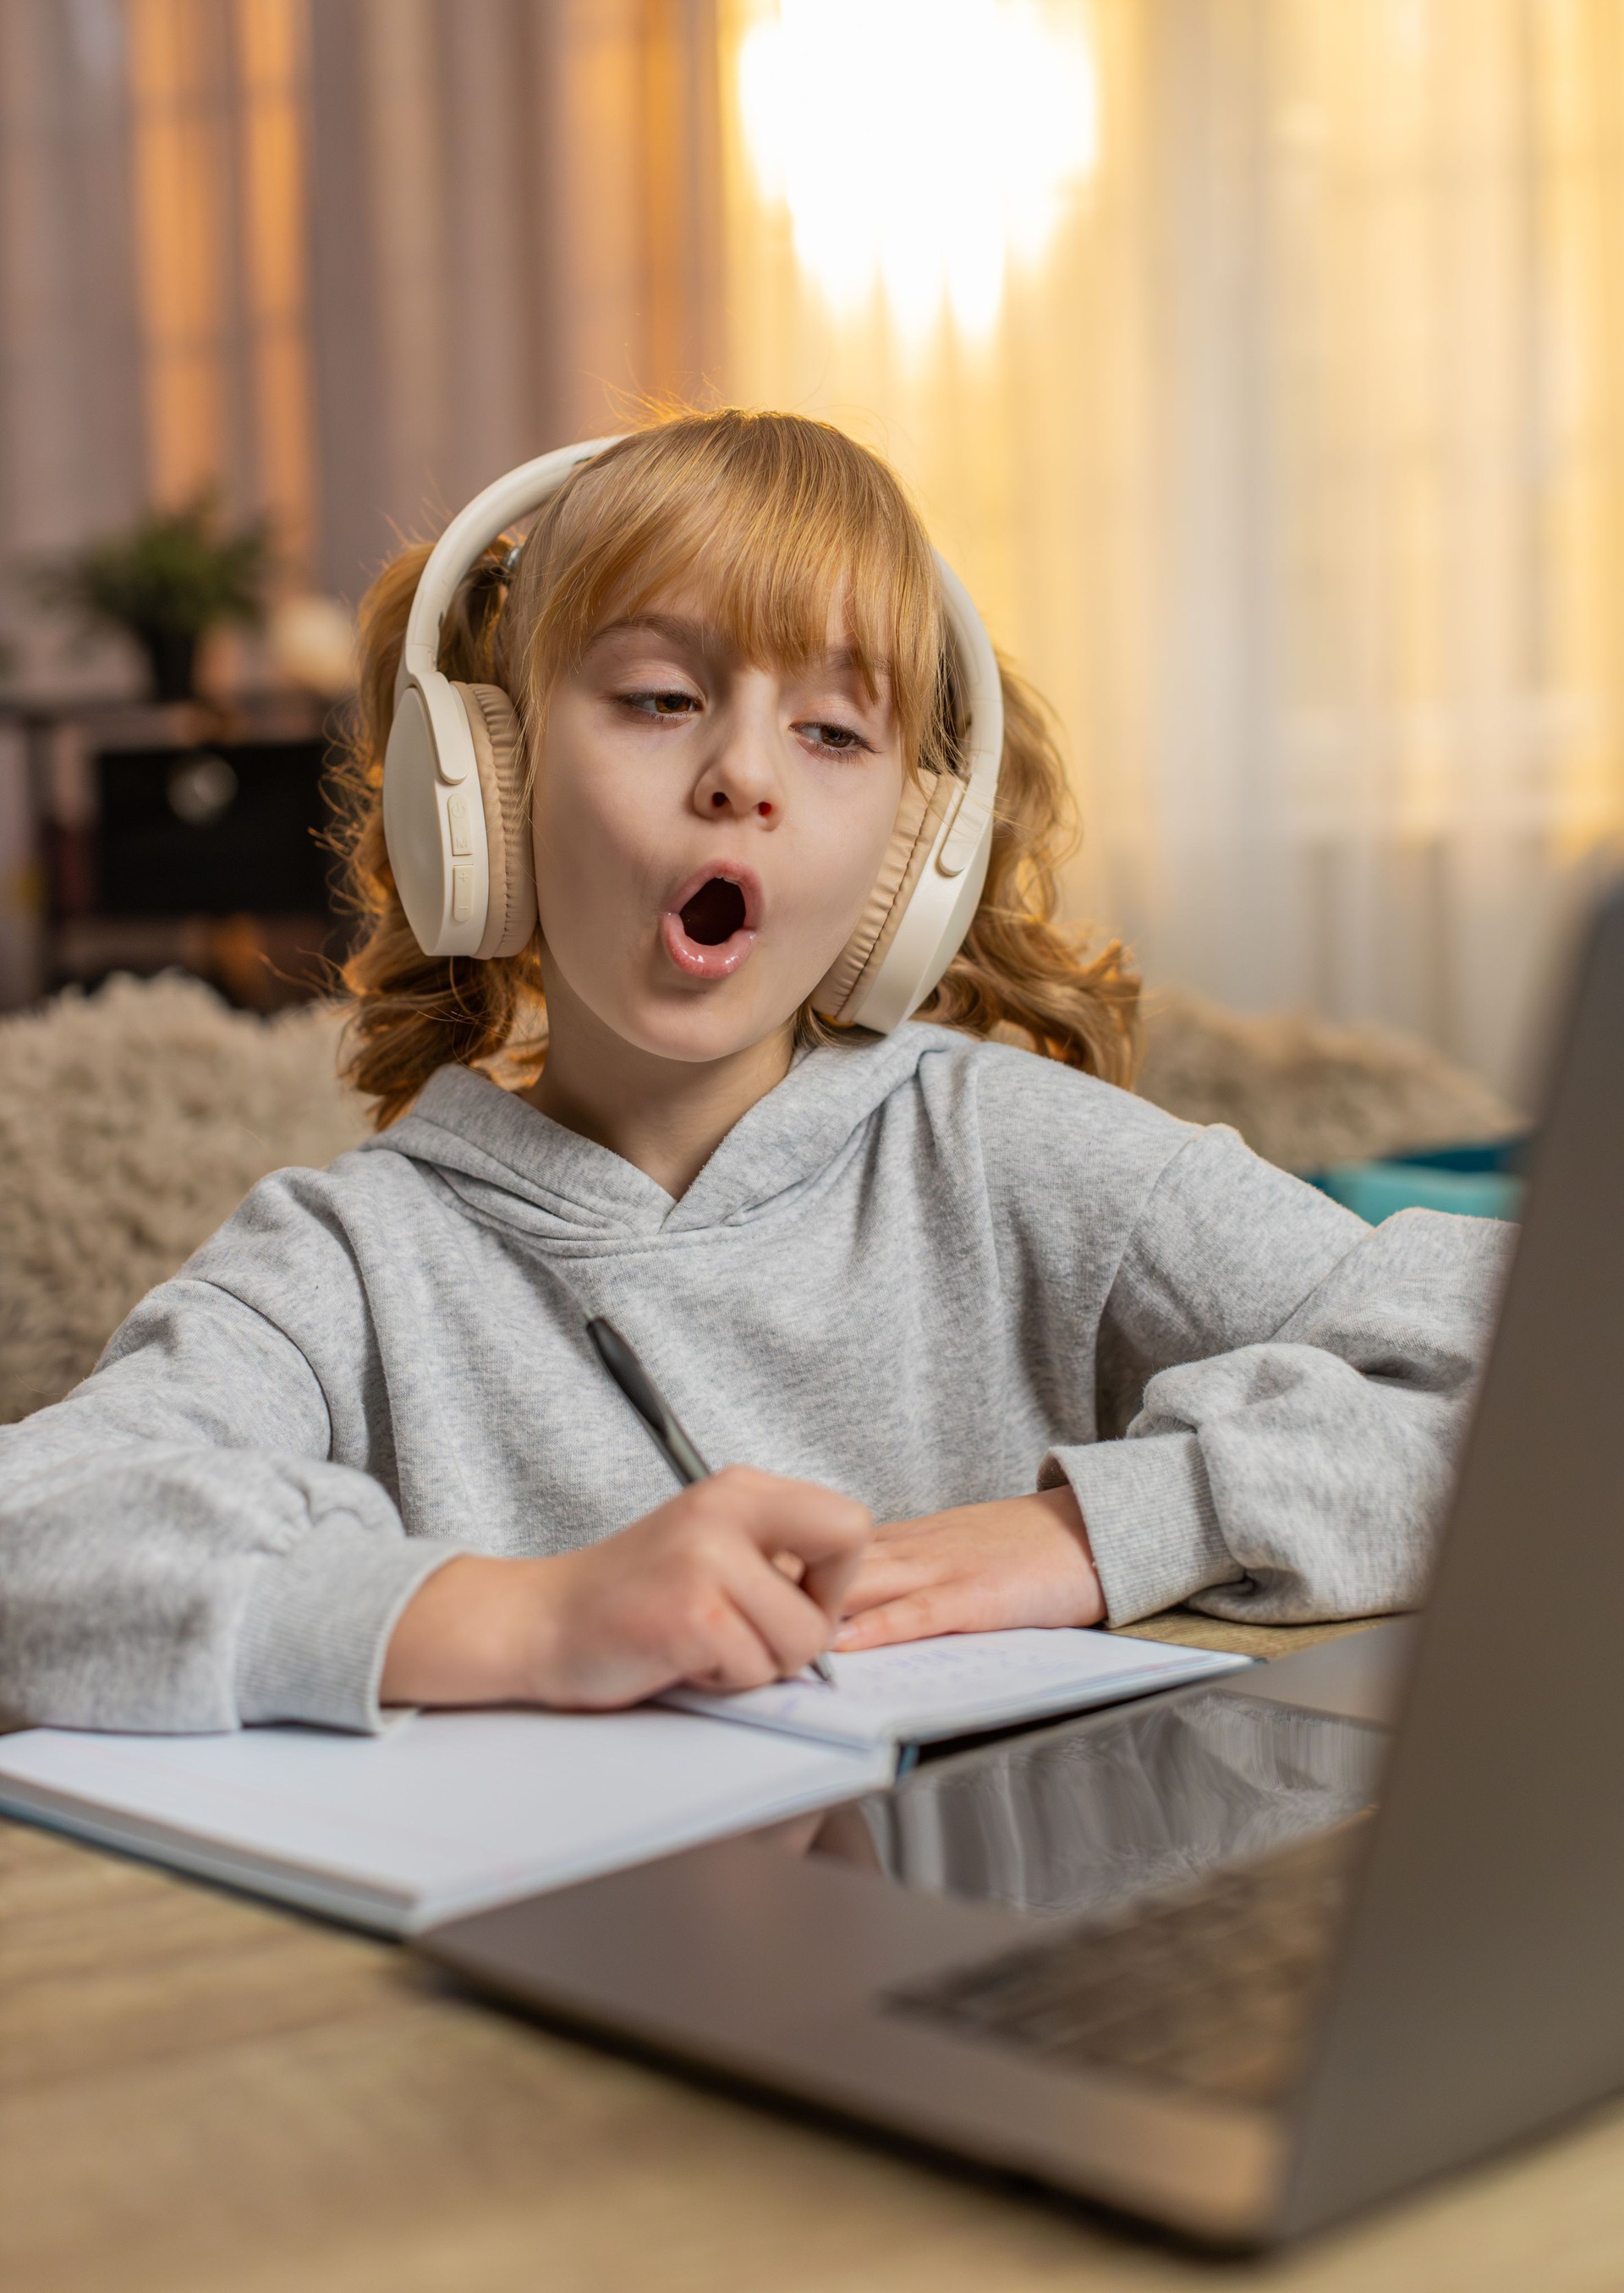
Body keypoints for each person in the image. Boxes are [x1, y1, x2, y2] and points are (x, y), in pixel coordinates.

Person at [0, 411, 1507, 1734]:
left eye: (834, 731)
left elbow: (1530, 1373)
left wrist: (1093, 1532)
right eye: (660, 699)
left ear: (913, 856)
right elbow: (33, 1534)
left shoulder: (1013, 1157)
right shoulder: (348, 1264)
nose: (743, 774)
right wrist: (530, 1621)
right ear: (494, 789)